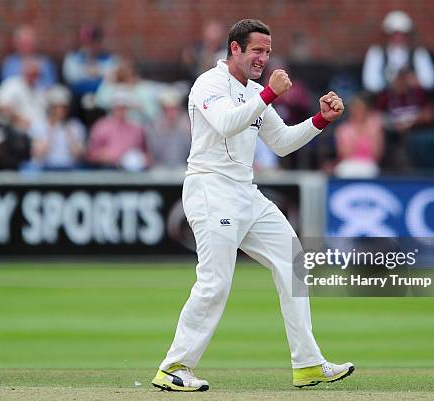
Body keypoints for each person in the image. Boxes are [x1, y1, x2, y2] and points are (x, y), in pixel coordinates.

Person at [151, 19, 354, 392]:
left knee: (293, 262)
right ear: (235, 49)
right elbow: (227, 124)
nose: (263, 58)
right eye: (257, 50)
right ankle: (174, 367)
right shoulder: (208, 84)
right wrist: (268, 95)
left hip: (247, 192)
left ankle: (307, 363)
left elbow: (281, 142)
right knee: (215, 283)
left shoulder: (255, 91)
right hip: (211, 189)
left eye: (267, 51)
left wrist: (321, 120)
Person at [362, 10, 434, 93]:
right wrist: (394, 83)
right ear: (387, 35)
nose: (398, 38)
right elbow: (371, 85)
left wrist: (413, 81)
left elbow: (431, 82)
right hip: (386, 102)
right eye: (394, 34)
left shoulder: (418, 53)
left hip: (413, 101)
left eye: (402, 34)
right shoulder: (376, 53)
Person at [86, 91, 149, 170]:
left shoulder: (136, 128)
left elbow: (144, 152)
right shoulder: (101, 126)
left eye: (123, 107)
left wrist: (143, 159)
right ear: (112, 108)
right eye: (118, 107)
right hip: (108, 168)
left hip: (132, 170)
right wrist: (103, 156)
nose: (121, 110)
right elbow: (90, 154)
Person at [29, 85, 86, 170]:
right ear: (50, 108)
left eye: (64, 107)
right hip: (46, 168)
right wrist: (52, 129)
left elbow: (79, 154)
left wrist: (68, 132)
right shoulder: (39, 125)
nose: (60, 111)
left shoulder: (76, 126)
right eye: (56, 107)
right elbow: (39, 153)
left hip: (69, 168)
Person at [333, 94, 384, 178]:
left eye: (361, 109)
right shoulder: (343, 129)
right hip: (348, 163)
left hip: (369, 163)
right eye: (356, 109)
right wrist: (358, 135)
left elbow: (377, 154)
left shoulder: (375, 128)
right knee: (344, 171)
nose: (358, 112)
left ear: (366, 111)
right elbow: (344, 153)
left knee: (368, 171)